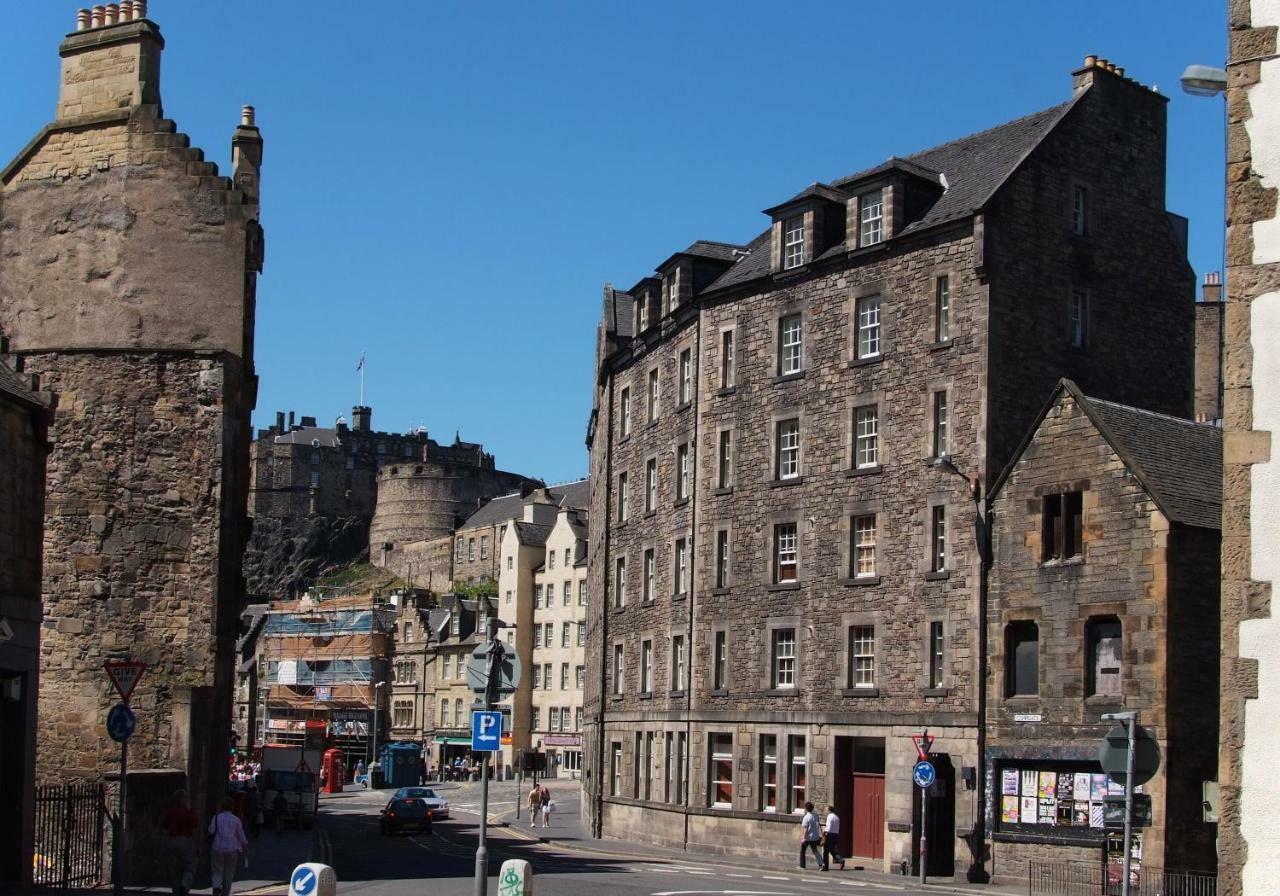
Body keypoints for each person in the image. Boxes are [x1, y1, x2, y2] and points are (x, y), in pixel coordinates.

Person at [160, 790, 198, 896]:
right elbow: (195, 830)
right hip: (186, 840)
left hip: (172, 841)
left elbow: (164, 829)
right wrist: (196, 844)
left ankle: (176, 891)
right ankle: (185, 885)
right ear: (184, 800)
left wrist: (165, 843)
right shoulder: (189, 813)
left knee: (175, 869)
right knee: (189, 867)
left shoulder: (170, 813)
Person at [208, 796, 248, 896]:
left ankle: (216, 887)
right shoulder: (236, 820)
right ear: (232, 807)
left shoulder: (216, 817)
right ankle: (225, 893)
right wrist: (246, 850)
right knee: (229, 873)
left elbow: (211, 830)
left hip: (217, 847)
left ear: (222, 806)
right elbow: (241, 837)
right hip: (232, 849)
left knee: (217, 870)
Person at [799, 801, 823, 870]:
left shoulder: (806, 817)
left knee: (803, 851)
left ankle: (802, 866)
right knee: (815, 850)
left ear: (806, 808)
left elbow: (806, 828)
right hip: (815, 837)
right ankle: (821, 864)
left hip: (808, 838)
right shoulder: (815, 815)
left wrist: (803, 837)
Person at [822, 804, 845, 871]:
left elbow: (828, 827)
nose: (826, 811)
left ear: (829, 810)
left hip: (829, 835)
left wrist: (824, 833)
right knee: (832, 850)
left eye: (826, 810)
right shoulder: (836, 817)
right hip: (835, 835)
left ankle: (825, 866)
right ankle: (841, 860)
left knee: (825, 851)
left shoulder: (830, 816)